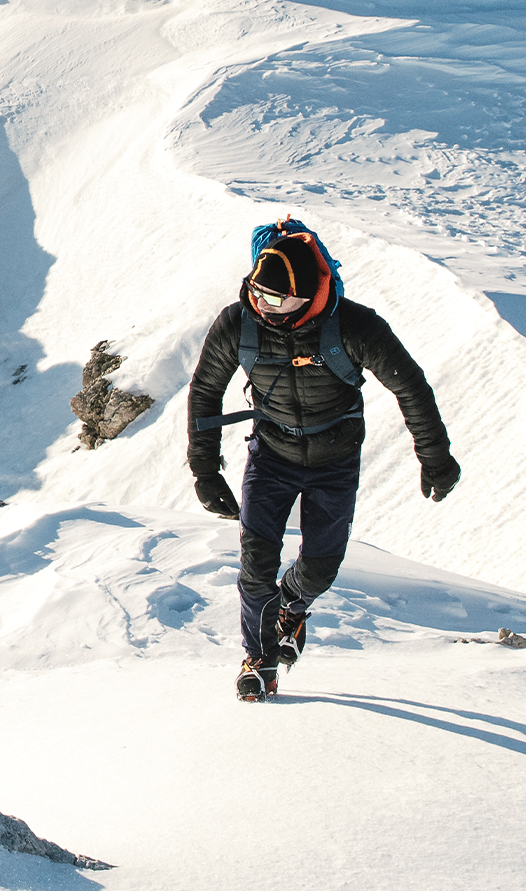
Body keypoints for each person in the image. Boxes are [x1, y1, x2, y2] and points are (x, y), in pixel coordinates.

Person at [186, 220, 458, 701]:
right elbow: (206, 392)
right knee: (255, 567)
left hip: (336, 458)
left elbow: (409, 387)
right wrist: (206, 472)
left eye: (274, 299)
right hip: (270, 454)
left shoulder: (354, 326)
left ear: (304, 295)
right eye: (256, 293)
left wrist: (435, 457)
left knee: (320, 568)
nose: (261, 305)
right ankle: (258, 660)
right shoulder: (238, 322)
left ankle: (292, 605)